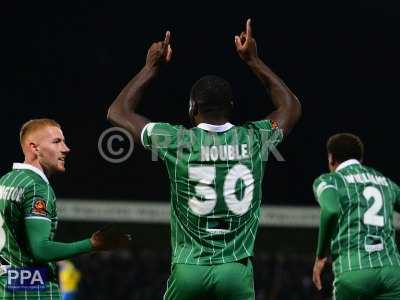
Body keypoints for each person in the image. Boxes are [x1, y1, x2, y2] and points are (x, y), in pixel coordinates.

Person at [107, 19, 301, 299]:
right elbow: (291, 107)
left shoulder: (176, 141)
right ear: (231, 107)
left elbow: (118, 111)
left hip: (189, 269)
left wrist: (151, 68)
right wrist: (253, 60)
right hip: (235, 269)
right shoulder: (255, 138)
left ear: (193, 108)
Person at [0, 118, 131, 299]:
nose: (66, 148)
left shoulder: (6, 180)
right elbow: (41, 250)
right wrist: (91, 244)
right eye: (56, 142)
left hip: (8, 286)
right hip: (32, 290)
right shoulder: (37, 187)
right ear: (34, 148)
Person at [312, 133, 400, 299]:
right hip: (392, 272)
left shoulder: (330, 181)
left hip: (354, 271)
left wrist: (321, 255)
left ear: (331, 158)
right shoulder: (385, 181)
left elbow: (331, 210)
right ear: (360, 158)